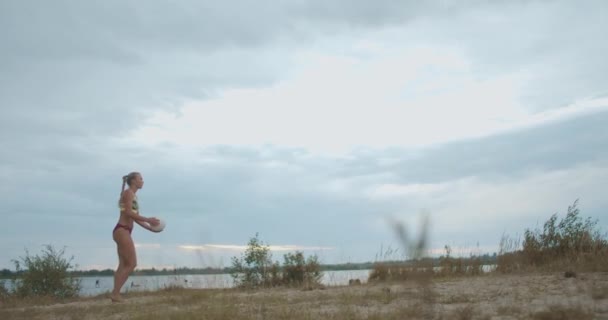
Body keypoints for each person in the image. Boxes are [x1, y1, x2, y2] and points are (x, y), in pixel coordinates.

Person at [110, 172, 160, 303]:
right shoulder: (128, 193)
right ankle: (115, 293)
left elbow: (135, 217)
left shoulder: (133, 196)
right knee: (132, 263)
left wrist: (150, 228)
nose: (143, 181)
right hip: (122, 230)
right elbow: (127, 212)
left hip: (123, 231)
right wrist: (148, 219)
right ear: (133, 181)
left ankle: (115, 294)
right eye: (140, 179)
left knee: (123, 264)